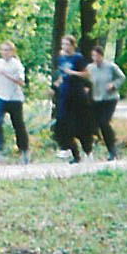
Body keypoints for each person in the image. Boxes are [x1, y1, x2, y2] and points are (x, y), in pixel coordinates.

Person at [53, 34, 93, 163]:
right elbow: (62, 75)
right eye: (63, 44)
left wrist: (73, 73)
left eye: (67, 44)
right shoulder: (60, 59)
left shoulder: (78, 58)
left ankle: (88, 151)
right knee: (62, 122)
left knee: (80, 125)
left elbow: (87, 74)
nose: (65, 47)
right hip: (64, 96)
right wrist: (55, 85)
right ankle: (71, 151)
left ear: (73, 45)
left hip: (77, 95)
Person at [0, 41, 29, 164]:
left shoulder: (17, 65)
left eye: (7, 50)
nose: (4, 53)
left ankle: (24, 150)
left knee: (18, 125)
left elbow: (21, 82)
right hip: (1, 97)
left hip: (15, 99)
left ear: (12, 52)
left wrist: (6, 75)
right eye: (2, 50)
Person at [88, 45, 126, 161]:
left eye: (97, 56)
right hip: (96, 99)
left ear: (102, 56)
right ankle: (94, 148)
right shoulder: (90, 68)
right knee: (95, 124)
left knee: (104, 122)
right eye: (93, 56)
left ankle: (112, 149)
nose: (95, 58)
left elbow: (122, 77)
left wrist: (113, 85)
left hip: (110, 99)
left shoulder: (111, 67)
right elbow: (85, 80)